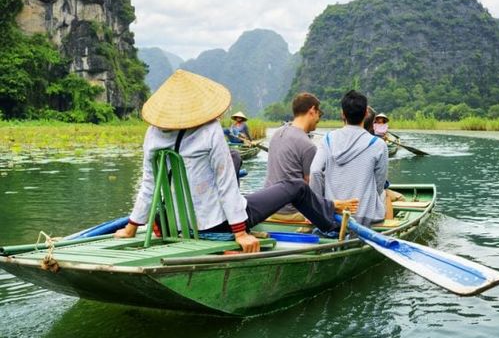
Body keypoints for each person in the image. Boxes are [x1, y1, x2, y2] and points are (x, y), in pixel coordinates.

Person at [114, 70, 358, 252]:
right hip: (214, 225)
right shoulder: (210, 131)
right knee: (296, 186)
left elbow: (148, 184)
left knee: (235, 156)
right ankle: (329, 221)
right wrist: (240, 233)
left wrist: (131, 227)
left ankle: (328, 206)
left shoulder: (153, 134)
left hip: (171, 224)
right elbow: (225, 184)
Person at [310, 90, 388, 226]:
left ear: (343, 114)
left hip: (333, 214)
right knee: (385, 194)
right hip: (364, 217)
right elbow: (379, 184)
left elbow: (315, 171)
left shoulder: (327, 139)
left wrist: (319, 207)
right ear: (365, 114)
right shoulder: (378, 144)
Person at [264, 93, 323, 220]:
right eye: (319, 114)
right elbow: (309, 186)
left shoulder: (277, 134)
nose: (318, 119)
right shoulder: (308, 146)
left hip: (268, 206)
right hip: (290, 212)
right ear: (312, 111)